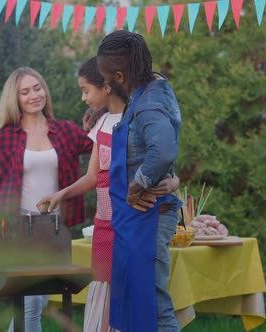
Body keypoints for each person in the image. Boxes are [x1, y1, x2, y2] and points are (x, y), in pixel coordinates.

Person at [36, 57, 180, 332]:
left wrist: (172, 181)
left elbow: (162, 160)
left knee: (137, 298)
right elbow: (93, 177)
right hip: (105, 225)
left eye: (86, 90)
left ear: (105, 87)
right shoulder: (100, 123)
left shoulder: (139, 117)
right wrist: (60, 195)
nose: (83, 98)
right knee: (104, 288)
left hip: (132, 222)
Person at [0, 67, 93, 331]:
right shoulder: (6, 138)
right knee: (30, 303)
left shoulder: (65, 131)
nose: (33, 95)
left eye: (37, 88)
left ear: (45, 90)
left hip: (54, 230)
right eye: (25, 92)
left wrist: (98, 117)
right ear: (15, 99)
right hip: (20, 229)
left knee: (35, 303)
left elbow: (103, 146)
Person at [97, 31, 183, 331]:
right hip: (134, 219)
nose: (105, 83)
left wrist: (137, 186)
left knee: (152, 304)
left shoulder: (148, 104)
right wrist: (173, 178)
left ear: (120, 75)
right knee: (136, 300)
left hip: (147, 217)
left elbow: (162, 152)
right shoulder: (149, 92)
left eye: (106, 77)